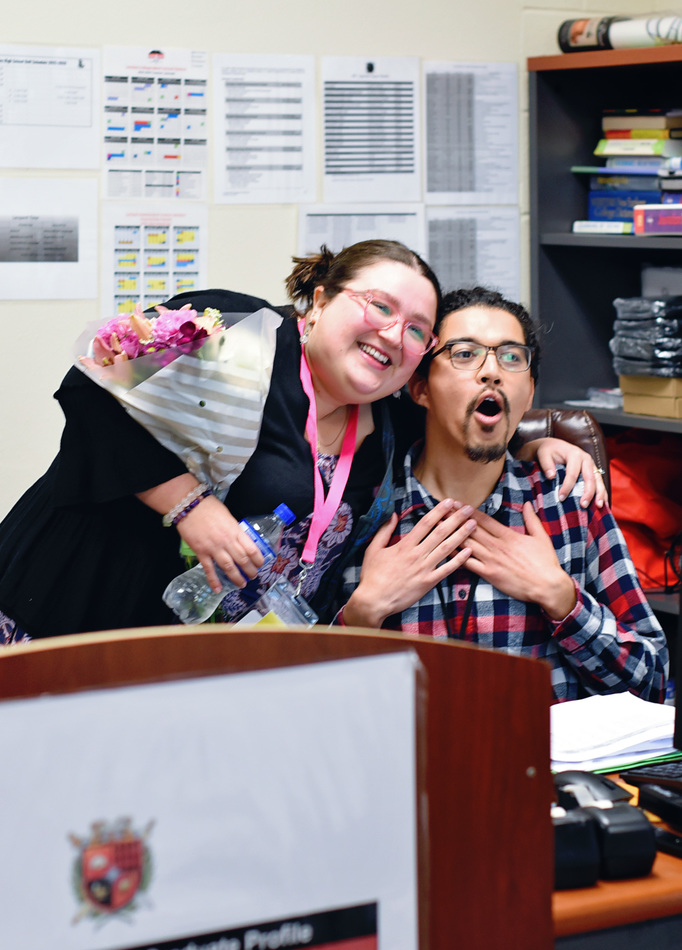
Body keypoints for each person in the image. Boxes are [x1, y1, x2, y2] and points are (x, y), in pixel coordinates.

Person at [0, 245, 603, 644]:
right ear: (318, 302)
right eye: (379, 306)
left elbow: (467, 423)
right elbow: (90, 389)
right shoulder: (237, 332)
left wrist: (542, 445)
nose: (393, 333)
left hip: (195, 651)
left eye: (417, 329)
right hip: (72, 595)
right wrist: (191, 506)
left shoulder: (387, 423)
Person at [333, 286, 669, 702]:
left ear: (528, 394)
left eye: (511, 357)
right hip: (407, 764)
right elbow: (298, 697)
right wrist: (364, 613)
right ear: (421, 388)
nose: (491, 371)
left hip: (544, 765)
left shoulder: (568, 502)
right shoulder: (360, 510)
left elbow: (651, 684)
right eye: (464, 353)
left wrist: (562, 599)